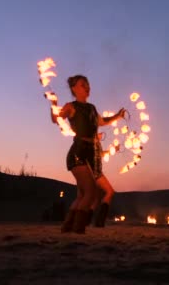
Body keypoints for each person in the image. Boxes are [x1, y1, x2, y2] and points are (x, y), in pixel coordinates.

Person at [53, 75, 125, 233]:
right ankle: (78, 229)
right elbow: (56, 118)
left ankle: (67, 227)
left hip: (91, 154)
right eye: (82, 84)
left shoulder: (92, 108)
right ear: (74, 88)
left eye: (88, 84)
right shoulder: (70, 106)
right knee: (91, 192)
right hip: (78, 152)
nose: (87, 87)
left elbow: (102, 122)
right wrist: (53, 105)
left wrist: (118, 116)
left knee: (82, 196)